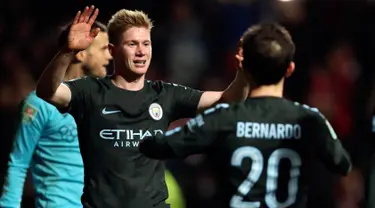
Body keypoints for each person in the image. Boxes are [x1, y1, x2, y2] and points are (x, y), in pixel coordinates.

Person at [35, 5, 248, 208]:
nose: (141, 52)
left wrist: (243, 75)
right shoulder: (90, 91)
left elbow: (227, 100)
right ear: (113, 50)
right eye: (132, 44)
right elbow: (47, 92)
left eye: (146, 44)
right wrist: (66, 52)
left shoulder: (166, 94)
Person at [139, 23, 352, 208]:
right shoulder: (310, 120)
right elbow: (342, 164)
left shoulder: (222, 118)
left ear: (243, 66)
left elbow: (156, 146)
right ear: (290, 69)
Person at [0, 21, 111, 208]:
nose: (109, 56)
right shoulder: (37, 104)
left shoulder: (103, 102)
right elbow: (17, 164)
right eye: (104, 49)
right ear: (81, 53)